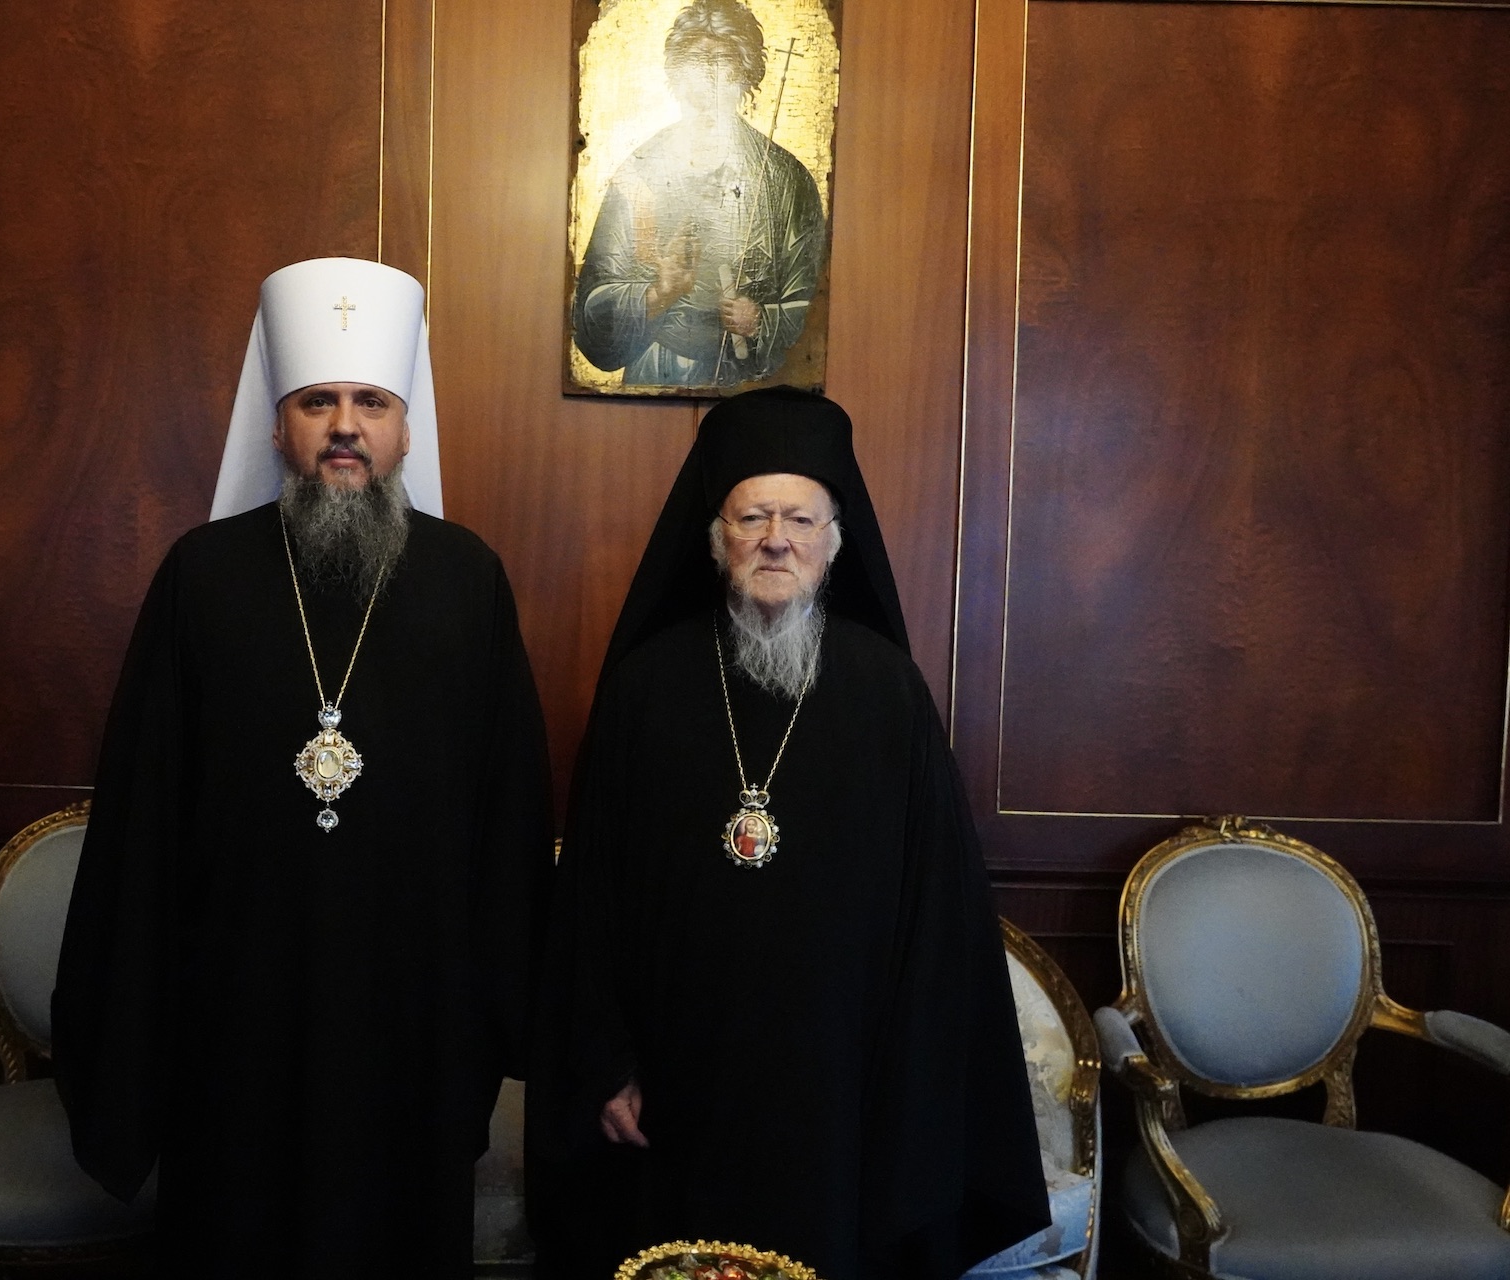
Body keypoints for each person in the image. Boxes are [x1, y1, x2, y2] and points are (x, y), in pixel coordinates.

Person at [53, 257, 555, 1275]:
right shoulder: (202, 575)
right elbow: (146, 810)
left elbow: (507, 814)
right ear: (277, 427)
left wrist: (500, 1007)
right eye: (317, 401)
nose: (345, 427)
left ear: (405, 429)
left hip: (413, 1005)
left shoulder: (467, 578)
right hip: (237, 1000)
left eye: (371, 402)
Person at [528, 388, 1049, 1279]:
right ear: (716, 537)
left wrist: (908, 1092)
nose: (777, 539)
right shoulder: (645, 690)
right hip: (676, 1090)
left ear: (834, 540)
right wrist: (606, 1063)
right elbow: (591, 902)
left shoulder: (889, 694)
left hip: (842, 1095)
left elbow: (938, 921)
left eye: (801, 519)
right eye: (753, 516)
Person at [571, 0, 827, 388]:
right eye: (695, 60)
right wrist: (658, 294)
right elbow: (591, 307)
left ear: (745, 71)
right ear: (676, 72)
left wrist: (760, 320)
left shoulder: (785, 179)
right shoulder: (640, 173)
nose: (707, 77)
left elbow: (814, 305)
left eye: (721, 60)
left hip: (748, 388)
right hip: (654, 373)